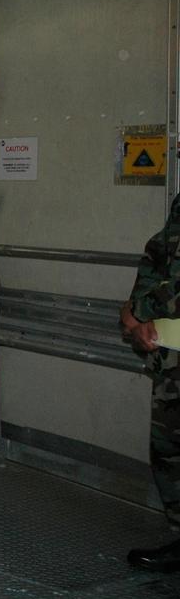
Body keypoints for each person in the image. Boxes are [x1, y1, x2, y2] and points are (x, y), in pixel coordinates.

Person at [122, 192, 180, 572]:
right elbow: (156, 257)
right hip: (171, 353)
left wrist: (142, 311)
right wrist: (136, 318)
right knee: (168, 449)